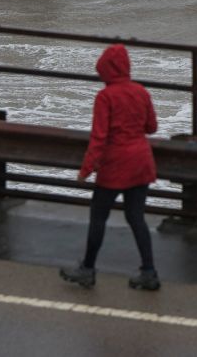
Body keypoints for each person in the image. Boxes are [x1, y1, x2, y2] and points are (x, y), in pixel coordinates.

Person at [60, 43, 160, 291]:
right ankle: (149, 272)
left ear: (106, 69)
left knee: (99, 216)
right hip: (141, 161)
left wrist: (85, 170)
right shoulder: (141, 91)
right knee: (136, 217)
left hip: (116, 164)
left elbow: (99, 138)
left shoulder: (105, 97)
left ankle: (88, 268)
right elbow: (152, 127)